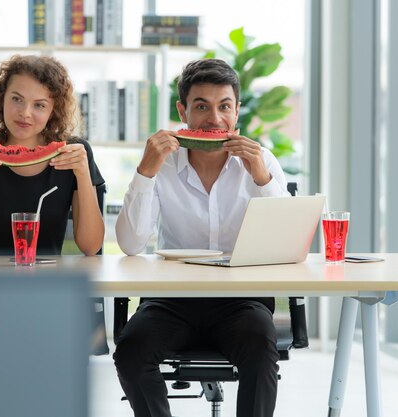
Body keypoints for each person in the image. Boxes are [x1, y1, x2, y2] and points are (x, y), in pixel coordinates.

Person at [114, 58, 290, 417]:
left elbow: (285, 241)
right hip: (172, 300)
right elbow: (131, 244)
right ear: (183, 111)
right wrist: (145, 172)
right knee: (131, 350)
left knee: (259, 346)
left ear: (237, 110)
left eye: (224, 106)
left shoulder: (262, 160)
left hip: (241, 301)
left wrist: (261, 178)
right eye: (201, 107)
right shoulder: (161, 163)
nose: (214, 119)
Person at [0, 54, 104, 256]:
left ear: (53, 111)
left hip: (48, 281)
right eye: (17, 99)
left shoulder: (73, 154)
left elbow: (91, 247)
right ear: (2, 99)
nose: (25, 112)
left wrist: (83, 174)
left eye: (39, 105)